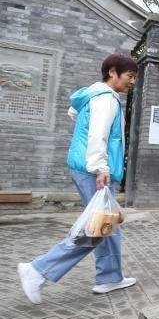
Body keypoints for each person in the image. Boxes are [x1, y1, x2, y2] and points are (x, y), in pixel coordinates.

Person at [18, 54, 139, 304]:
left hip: (87, 168)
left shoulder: (93, 96)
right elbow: (98, 136)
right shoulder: (105, 99)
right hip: (94, 171)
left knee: (108, 225)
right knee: (96, 229)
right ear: (112, 72)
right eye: (129, 76)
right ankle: (38, 269)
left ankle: (110, 276)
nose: (132, 82)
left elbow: (75, 114)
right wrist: (100, 168)